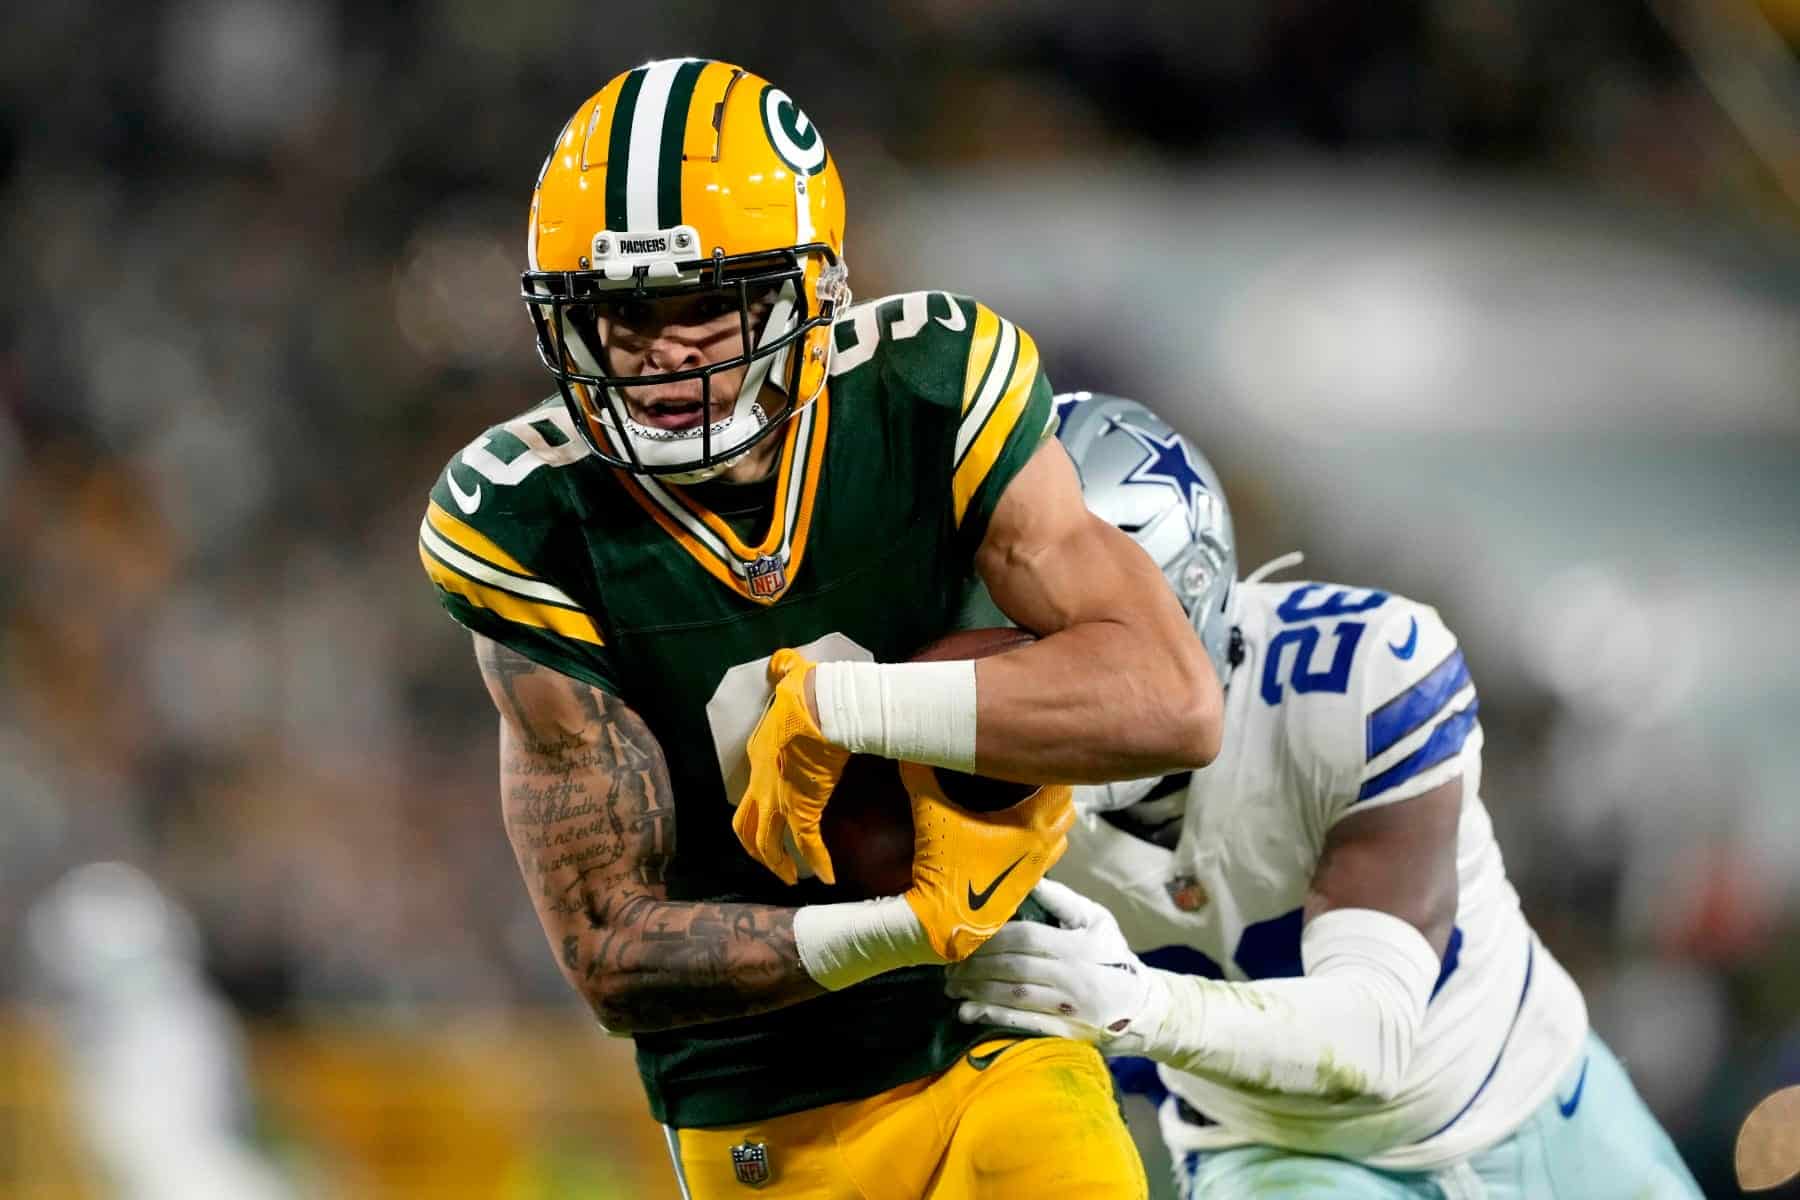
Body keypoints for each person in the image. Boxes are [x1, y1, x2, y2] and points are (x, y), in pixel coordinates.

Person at [418, 64, 1222, 1198]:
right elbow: (609, 950)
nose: (659, 356)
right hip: (756, 1095)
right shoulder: (524, 521)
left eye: (703, 304)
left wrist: (849, 705)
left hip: (991, 1021)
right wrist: (902, 925)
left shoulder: (927, 387)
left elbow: (1173, 700)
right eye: (622, 315)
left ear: (812, 292)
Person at [948, 393, 1702, 1198]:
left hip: (1532, 1098)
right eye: (1013, 631)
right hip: (1273, 1159)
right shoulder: (954, 772)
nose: (1051, 677)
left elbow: (1375, 1036)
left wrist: (1139, 1006)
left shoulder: (1357, 676)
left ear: (1191, 594)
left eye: (1083, 633)